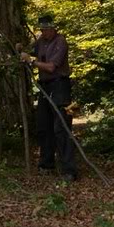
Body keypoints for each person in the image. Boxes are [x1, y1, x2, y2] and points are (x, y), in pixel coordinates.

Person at [20, 14, 77, 182]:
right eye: (42, 30)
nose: (44, 33)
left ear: (53, 29)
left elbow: (51, 67)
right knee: (43, 126)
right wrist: (20, 49)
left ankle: (69, 170)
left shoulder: (60, 42)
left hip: (61, 86)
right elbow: (29, 50)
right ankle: (46, 164)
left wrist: (31, 61)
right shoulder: (40, 42)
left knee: (62, 127)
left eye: (46, 30)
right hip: (45, 87)